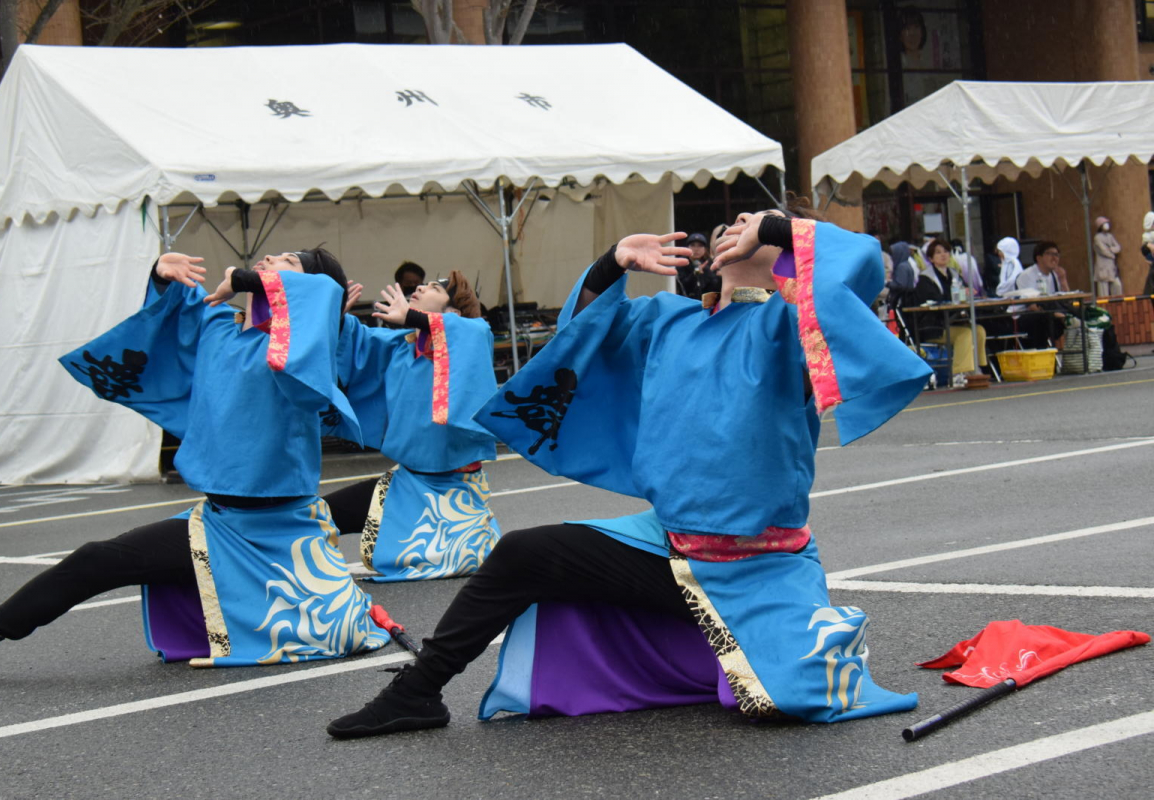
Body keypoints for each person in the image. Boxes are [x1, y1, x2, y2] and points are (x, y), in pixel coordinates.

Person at [325, 207, 932, 739]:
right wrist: (610, 264)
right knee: (522, 554)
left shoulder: (788, 327)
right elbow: (583, 336)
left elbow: (859, 263)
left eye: (755, 224)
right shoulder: (668, 319)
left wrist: (777, 228)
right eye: (733, 225)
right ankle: (416, 694)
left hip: (756, 565)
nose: (739, 229)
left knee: (784, 705)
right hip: (667, 545)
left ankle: (734, 655)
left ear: (782, 254)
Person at [0, 250, 389, 683]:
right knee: (97, 560)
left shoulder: (308, 344)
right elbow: (173, 323)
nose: (271, 256)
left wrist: (241, 277)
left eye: (289, 261)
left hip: (277, 530)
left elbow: (319, 296)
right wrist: (162, 278)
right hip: (220, 521)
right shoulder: (222, 326)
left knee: (95, 560)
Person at [321, 272, 501, 582]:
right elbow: (357, 343)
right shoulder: (401, 346)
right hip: (406, 485)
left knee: (469, 556)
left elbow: (474, 331)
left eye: (433, 288)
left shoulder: (470, 338)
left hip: (453, 490)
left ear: (453, 313)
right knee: (320, 517)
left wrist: (412, 316)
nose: (419, 287)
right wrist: (336, 318)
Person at [913, 239, 987, 382]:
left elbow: (964, 291)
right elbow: (933, 300)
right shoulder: (925, 278)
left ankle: (976, 368)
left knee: (978, 330)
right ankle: (959, 373)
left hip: (953, 321)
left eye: (946, 251)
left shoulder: (954, 274)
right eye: (938, 253)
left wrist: (967, 291)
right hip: (933, 326)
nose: (943, 255)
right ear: (930, 258)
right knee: (965, 334)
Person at [1014, 241, 1072, 348]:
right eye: (1050, 254)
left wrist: (1063, 280)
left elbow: (1067, 301)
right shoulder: (1027, 275)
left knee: (1086, 315)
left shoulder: (1055, 274)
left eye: (1056, 254)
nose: (1054, 258)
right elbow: (1031, 305)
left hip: (1051, 313)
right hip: (1025, 316)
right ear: (1039, 258)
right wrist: (1055, 314)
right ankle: (1046, 359)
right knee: (1042, 320)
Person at [1093, 216, 1123, 297]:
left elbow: (1118, 247)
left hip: (1111, 267)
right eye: (1104, 224)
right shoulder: (1097, 238)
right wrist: (1112, 254)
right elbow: (1103, 250)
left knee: (1117, 286)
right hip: (1102, 267)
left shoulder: (1110, 236)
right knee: (1103, 292)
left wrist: (1111, 249)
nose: (1106, 225)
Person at [675, 233, 706, 298]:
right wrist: (695, 274)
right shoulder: (681, 262)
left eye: (700, 246)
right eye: (693, 245)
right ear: (687, 247)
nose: (696, 249)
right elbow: (682, 285)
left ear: (705, 249)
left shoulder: (708, 263)